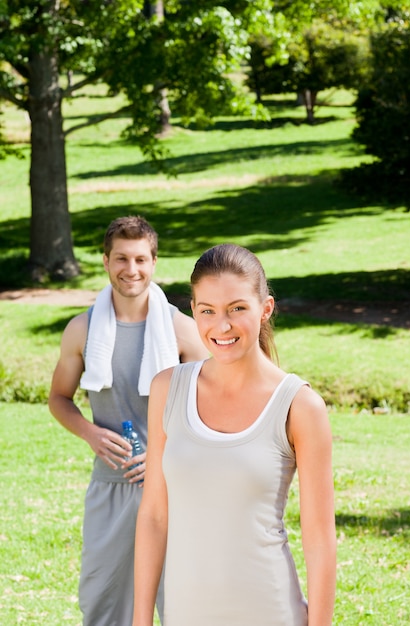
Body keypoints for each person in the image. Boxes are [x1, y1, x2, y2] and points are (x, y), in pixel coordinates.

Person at [132, 243, 336, 626]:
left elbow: (320, 539)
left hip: (270, 612)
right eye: (207, 310)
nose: (221, 326)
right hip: (185, 615)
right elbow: (154, 516)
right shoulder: (167, 390)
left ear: (265, 309)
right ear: (193, 311)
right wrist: (140, 619)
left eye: (237, 308)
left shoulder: (299, 406)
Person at [48, 215, 208, 626]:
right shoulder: (80, 330)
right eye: (121, 258)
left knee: (183, 607)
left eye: (140, 259)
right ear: (105, 261)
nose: (131, 270)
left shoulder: (183, 331)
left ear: (154, 262)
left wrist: (163, 449)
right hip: (111, 485)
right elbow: (59, 398)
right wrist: (89, 433)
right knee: (102, 604)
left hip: (174, 486)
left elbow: (211, 407)